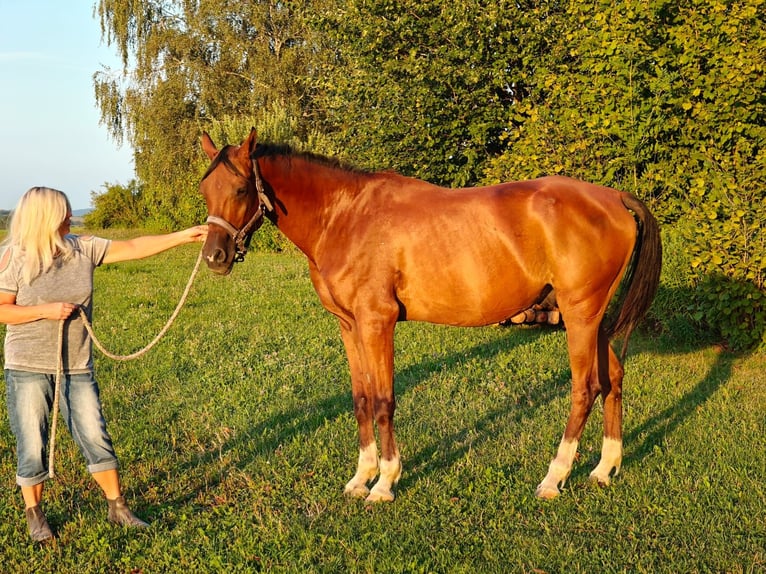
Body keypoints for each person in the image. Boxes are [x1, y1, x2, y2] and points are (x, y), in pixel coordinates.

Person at [0, 187, 208, 543]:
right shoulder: (12, 257)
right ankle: (35, 514)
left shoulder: (84, 248)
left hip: (78, 364)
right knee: (32, 442)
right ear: (46, 217)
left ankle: (118, 507)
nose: (69, 217)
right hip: (27, 365)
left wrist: (184, 236)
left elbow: (134, 247)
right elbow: (3, 309)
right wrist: (44, 312)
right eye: (64, 212)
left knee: (95, 435)